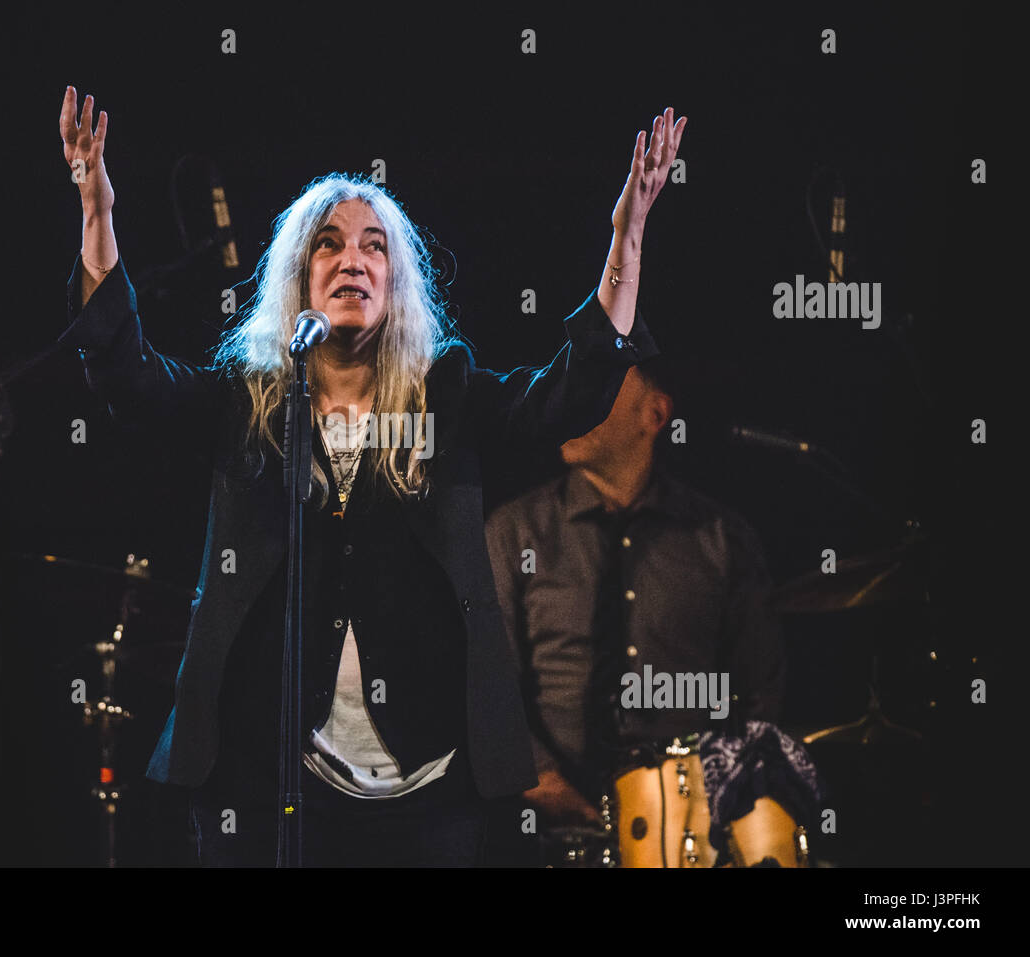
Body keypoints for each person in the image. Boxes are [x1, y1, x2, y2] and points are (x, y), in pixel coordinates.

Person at [56, 85, 684, 866]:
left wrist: (627, 237)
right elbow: (129, 378)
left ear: (395, 282)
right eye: (328, 243)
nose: (352, 256)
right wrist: (98, 217)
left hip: (427, 799)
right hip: (265, 787)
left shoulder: (446, 395)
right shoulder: (247, 404)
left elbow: (570, 393)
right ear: (298, 276)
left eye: (374, 245)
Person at [485, 360, 820, 866]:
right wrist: (548, 787)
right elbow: (490, 690)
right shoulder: (514, 532)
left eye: (597, 390)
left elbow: (759, 694)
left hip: (694, 830)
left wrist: (715, 798)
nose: (573, 406)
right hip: (550, 830)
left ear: (655, 414)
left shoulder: (720, 538)